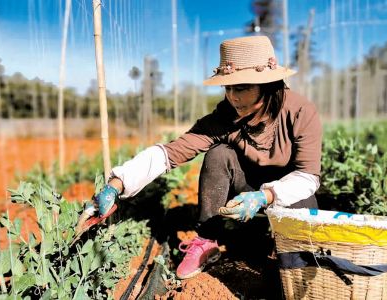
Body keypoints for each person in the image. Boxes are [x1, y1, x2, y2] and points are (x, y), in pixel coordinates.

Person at [82, 35, 322, 280]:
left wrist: (266, 196)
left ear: (267, 85)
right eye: (227, 87)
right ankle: (207, 240)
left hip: (291, 193)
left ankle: (284, 241)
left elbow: (308, 177)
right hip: (246, 184)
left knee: (298, 267)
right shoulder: (225, 117)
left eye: (241, 88)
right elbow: (172, 152)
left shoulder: (300, 111)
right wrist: (116, 184)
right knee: (219, 154)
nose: (232, 97)